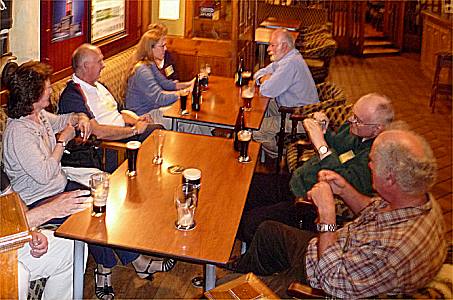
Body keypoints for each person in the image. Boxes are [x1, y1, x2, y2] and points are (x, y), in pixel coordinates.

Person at [2, 61, 174, 300]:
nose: (51, 91)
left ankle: (129, 263)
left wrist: (78, 117)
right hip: (38, 198)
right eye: (47, 88)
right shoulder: (19, 133)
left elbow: (63, 120)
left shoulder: (37, 115)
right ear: (33, 95)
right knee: (94, 214)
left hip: (59, 185)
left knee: (105, 202)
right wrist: (62, 141)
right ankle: (119, 267)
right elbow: (44, 174)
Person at [230, 128, 447, 298]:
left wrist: (327, 214)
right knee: (268, 231)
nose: (369, 165)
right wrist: (343, 189)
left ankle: (240, 283)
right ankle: (240, 270)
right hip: (335, 250)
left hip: (321, 281)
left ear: (390, 178)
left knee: (232, 291)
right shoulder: (415, 199)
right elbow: (373, 210)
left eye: (372, 161)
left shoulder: (395, 248)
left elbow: (331, 280)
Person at [238, 93, 394, 243]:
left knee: (249, 223)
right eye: (353, 114)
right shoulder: (354, 129)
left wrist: (321, 146)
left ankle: (250, 259)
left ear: (377, 129)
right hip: (300, 181)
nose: (350, 120)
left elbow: (344, 183)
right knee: (246, 188)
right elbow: (337, 145)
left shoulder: (375, 156)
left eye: (357, 120)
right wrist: (324, 130)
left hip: (311, 203)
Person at [58, 43, 162, 173]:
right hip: (108, 146)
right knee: (156, 133)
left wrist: (137, 121)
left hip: (123, 133)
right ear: (86, 66)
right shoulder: (73, 95)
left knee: (157, 131)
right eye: (99, 61)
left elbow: (118, 112)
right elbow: (97, 132)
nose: (103, 65)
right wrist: (134, 131)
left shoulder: (98, 85)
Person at [124, 28, 211, 134]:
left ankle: (215, 140)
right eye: (162, 46)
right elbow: (159, 98)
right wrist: (184, 92)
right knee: (187, 121)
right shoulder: (142, 70)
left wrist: (190, 83)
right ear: (150, 48)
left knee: (195, 117)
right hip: (143, 116)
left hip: (154, 109)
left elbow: (166, 84)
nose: (165, 49)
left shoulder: (149, 64)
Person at [253, 28, 318, 157]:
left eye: (272, 45)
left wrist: (266, 80)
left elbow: (266, 91)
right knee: (256, 111)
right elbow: (258, 74)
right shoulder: (286, 58)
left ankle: (279, 154)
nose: (268, 49)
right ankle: (262, 154)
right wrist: (263, 78)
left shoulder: (290, 63)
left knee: (256, 130)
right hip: (288, 108)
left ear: (284, 46)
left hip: (300, 118)